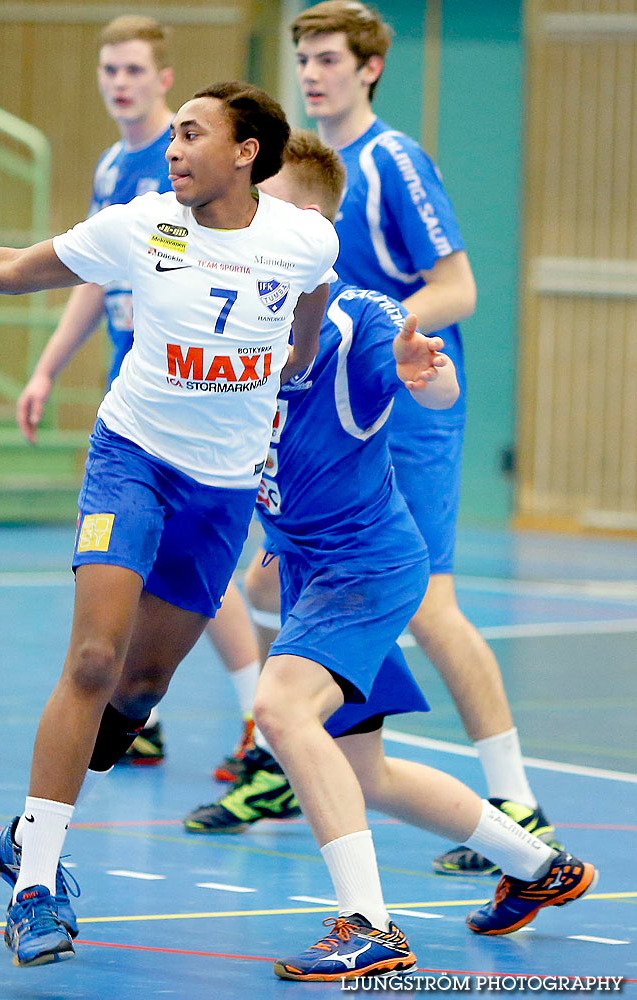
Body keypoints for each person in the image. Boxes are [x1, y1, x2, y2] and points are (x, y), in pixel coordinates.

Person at [0, 81, 338, 968]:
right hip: (133, 458)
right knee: (94, 660)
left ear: (247, 151)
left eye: (191, 134)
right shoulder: (144, 224)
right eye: (172, 135)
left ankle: (23, 832)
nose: (173, 149)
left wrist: (287, 376)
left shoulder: (303, 240)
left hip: (221, 491)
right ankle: (36, 885)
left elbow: (312, 307)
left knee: (139, 689)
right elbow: (9, 268)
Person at [184, 131, 597, 981]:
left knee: (283, 709)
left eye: (272, 206)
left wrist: (427, 374)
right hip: (312, 569)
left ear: (315, 227)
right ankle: (538, 869)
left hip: (367, 567)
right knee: (362, 771)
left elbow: (434, 385)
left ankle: (368, 925)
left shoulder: (362, 321)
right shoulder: (237, 317)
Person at [209, 0, 559, 874]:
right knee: (271, 576)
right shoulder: (290, 166)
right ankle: (300, 738)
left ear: (368, 68)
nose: (313, 72)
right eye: (304, 57)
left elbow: (462, 285)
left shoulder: (391, 161)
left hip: (396, 394)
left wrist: (381, 340)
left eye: (329, 58)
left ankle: (517, 795)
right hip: (323, 401)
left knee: (430, 601)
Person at [12, 15, 264, 775]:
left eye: (132, 71)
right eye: (108, 70)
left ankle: (263, 722)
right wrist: (48, 366)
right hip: (142, 403)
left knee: (199, 578)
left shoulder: (190, 168)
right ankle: (136, 714)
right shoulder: (111, 168)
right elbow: (96, 272)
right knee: (134, 576)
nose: (118, 83)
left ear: (161, 80)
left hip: (208, 405)